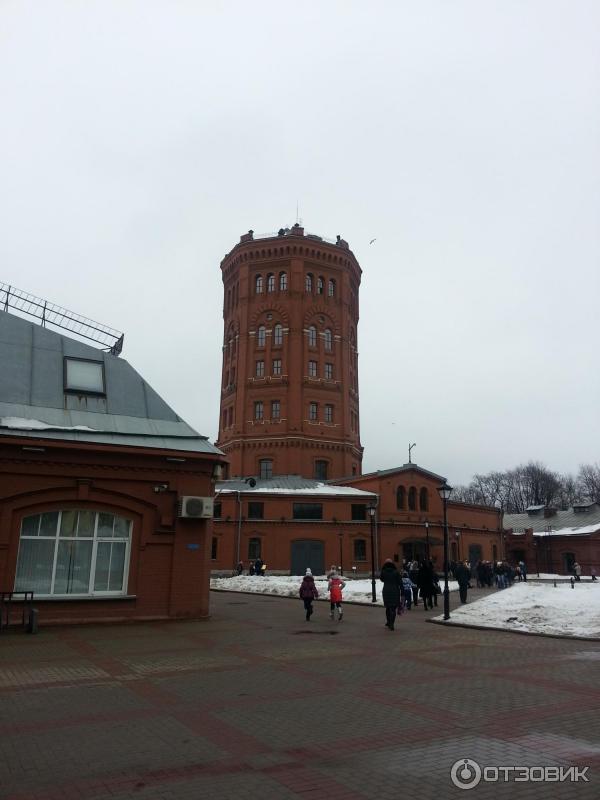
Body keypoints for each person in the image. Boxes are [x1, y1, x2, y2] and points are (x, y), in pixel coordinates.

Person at [380, 559, 403, 631]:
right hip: (395, 591)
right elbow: (400, 582)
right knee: (393, 608)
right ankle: (392, 623)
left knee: (388, 607)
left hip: (386, 591)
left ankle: (388, 621)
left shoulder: (384, 572)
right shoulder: (396, 572)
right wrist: (402, 591)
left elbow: (382, 579)